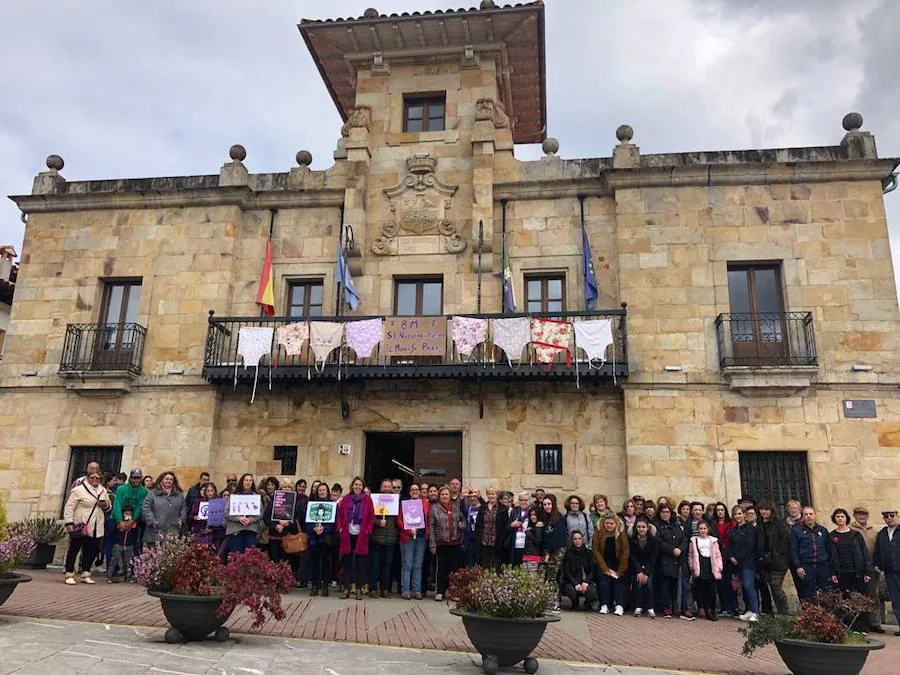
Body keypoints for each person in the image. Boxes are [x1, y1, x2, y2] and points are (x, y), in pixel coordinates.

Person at [63, 469, 111, 584]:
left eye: (97, 478)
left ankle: (86, 572)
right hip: (80, 524)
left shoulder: (103, 490)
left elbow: (108, 506)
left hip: (96, 525)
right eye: (92, 477)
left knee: (91, 550)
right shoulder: (78, 490)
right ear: (87, 478)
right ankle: (69, 573)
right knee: (74, 549)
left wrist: (105, 505)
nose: (95, 480)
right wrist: (69, 522)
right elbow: (69, 507)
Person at [337, 477, 375, 600]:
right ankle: (346, 588)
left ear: (362, 487)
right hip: (347, 534)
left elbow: (371, 517)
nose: (357, 486)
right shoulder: (346, 499)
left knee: (360, 563)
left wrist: (368, 530)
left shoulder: (368, 500)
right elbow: (340, 516)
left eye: (360, 484)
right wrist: (340, 529)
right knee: (346, 563)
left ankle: (359, 588)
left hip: (361, 535)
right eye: (355, 484)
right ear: (352, 486)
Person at [827, 508, 871, 608]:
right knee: (844, 599)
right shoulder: (831, 536)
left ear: (847, 518)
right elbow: (830, 556)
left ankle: (862, 622)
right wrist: (832, 573)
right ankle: (847, 623)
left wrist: (867, 571)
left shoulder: (856, 535)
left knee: (859, 599)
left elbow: (865, 553)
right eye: (837, 516)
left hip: (857, 572)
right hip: (841, 573)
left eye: (842, 516)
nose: (840, 518)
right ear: (834, 519)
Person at [851, 505, 885, 633]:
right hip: (856, 569)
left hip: (871, 568)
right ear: (854, 515)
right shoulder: (850, 530)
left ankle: (875, 622)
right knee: (858, 595)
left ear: (867, 516)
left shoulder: (874, 531)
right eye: (859, 514)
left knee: (873, 595)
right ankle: (860, 623)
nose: (862, 516)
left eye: (864, 514)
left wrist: (878, 564)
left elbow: (878, 549)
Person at [429, 485, 462, 602]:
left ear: (449, 496)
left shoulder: (456, 507)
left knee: (454, 568)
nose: (444, 496)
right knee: (441, 567)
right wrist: (432, 544)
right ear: (439, 495)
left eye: (446, 494)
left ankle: (454, 592)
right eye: (442, 494)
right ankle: (440, 592)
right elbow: (431, 526)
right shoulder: (434, 508)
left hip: (455, 541)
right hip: (441, 542)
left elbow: (463, 520)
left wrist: (463, 525)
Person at [790, 506, 830, 602]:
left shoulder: (823, 530)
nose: (809, 516)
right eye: (806, 514)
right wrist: (798, 566)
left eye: (811, 514)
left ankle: (826, 615)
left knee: (825, 591)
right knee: (808, 592)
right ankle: (810, 614)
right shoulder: (796, 530)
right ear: (803, 517)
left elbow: (828, 548)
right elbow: (793, 549)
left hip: (822, 565)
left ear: (815, 516)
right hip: (806, 566)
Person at [757, 501, 790, 615]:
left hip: (778, 561)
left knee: (776, 586)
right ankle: (779, 613)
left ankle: (784, 612)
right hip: (765, 562)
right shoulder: (760, 523)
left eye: (766, 509)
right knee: (772, 587)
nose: (764, 512)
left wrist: (778, 554)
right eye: (762, 509)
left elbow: (785, 540)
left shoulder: (778, 523)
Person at [593, 514, 629, 616]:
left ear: (616, 524)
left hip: (618, 563)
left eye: (611, 523)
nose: (609, 525)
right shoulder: (598, 533)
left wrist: (620, 570)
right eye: (607, 523)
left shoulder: (621, 534)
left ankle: (619, 605)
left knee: (618, 581)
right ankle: (604, 605)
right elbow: (596, 551)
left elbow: (625, 552)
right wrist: (605, 569)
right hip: (603, 563)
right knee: (604, 581)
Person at [728, 506, 760, 622]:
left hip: (748, 562)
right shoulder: (733, 530)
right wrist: (731, 556)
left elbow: (750, 546)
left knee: (749, 585)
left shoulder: (750, 528)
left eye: (740, 514)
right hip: (737, 564)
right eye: (736, 514)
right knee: (744, 588)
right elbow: (730, 545)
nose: (738, 516)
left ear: (744, 515)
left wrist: (738, 558)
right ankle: (750, 610)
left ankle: (756, 611)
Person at [399, 482, 429, 600]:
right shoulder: (404, 504)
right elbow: (399, 520)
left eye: (417, 489)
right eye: (413, 489)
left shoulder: (425, 504)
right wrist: (408, 529)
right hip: (408, 537)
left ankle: (417, 590)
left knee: (418, 565)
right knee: (407, 564)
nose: (415, 491)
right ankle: (405, 590)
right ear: (409, 491)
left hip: (421, 538)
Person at [656, 504, 687, 618]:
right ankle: (666, 607)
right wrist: (672, 550)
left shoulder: (677, 526)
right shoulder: (658, 526)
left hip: (678, 559)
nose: (665, 514)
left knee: (677, 585)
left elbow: (684, 540)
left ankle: (677, 607)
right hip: (665, 559)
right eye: (663, 512)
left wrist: (680, 549)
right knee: (665, 585)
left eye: (667, 512)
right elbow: (660, 542)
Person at [872, 509, 900, 637]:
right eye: (886, 516)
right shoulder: (882, 533)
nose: (889, 518)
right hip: (889, 571)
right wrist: (877, 564)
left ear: (897, 517)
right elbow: (878, 551)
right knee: (896, 600)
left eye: (892, 516)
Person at [370, 478, 399, 598]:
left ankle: (385, 589)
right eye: (385, 486)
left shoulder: (396, 501)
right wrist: (377, 522)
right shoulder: (374, 501)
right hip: (377, 538)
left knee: (387, 565)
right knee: (375, 564)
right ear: (381, 488)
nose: (387, 489)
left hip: (391, 538)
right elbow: (369, 518)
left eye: (389, 487)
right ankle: (373, 588)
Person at [689, 520, 724, 621]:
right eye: (700, 529)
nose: (702, 530)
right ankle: (706, 609)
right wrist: (692, 566)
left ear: (708, 529)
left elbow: (718, 555)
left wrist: (719, 567)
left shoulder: (713, 541)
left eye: (704, 528)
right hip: (700, 565)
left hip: (711, 565)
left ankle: (713, 609)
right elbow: (691, 555)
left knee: (712, 590)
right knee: (703, 590)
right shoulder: (694, 541)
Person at [306, 482, 336, 597]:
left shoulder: (332, 505)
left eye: (324, 490)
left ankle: (325, 586)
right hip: (314, 537)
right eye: (320, 490)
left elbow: (334, 522)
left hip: (326, 537)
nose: (322, 492)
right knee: (314, 562)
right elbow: (307, 521)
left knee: (325, 562)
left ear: (327, 492)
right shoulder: (311, 504)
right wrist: (314, 528)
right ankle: (314, 585)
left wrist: (325, 529)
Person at [111, 468, 148, 558]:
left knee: (133, 546)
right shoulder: (121, 489)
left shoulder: (144, 492)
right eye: (134, 478)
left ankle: (130, 569)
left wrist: (132, 521)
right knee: (113, 545)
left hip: (134, 521)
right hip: (117, 519)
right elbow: (117, 504)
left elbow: (140, 506)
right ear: (130, 478)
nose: (136, 480)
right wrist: (119, 520)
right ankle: (112, 570)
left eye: (138, 478)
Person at [142, 471, 186, 546]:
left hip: (173, 530)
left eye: (171, 479)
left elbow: (183, 508)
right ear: (161, 480)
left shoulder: (179, 495)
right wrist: (152, 520)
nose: (168, 481)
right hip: (155, 531)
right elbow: (146, 507)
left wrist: (182, 519)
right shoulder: (152, 493)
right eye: (166, 479)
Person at [539, 495, 567, 611]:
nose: (547, 506)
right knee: (543, 576)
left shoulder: (559, 518)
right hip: (546, 551)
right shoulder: (544, 518)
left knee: (552, 577)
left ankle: (554, 602)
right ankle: (545, 600)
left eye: (549, 504)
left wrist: (548, 553)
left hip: (556, 551)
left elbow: (558, 537)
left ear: (553, 504)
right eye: (545, 504)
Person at [224, 473, 261, 556]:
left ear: (252, 483)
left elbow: (260, 513)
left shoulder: (257, 497)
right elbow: (226, 513)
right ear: (242, 482)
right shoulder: (233, 496)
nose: (248, 482)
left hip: (250, 530)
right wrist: (238, 518)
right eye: (246, 480)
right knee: (236, 557)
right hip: (235, 530)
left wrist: (250, 520)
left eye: (250, 481)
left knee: (250, 557)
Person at [712, 501, 737, 616]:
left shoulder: (731, 523)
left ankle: (733, 607)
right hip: (717, 556)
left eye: (722, 510)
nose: (720, 512)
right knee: (720, 583)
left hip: (728, 556)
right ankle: (724, 607)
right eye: (718, 510)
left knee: (730, 582)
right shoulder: (713, 524)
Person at [474, 486, 508, 571]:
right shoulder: (483, 508)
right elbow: (478, 525)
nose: (491, 496)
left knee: (497, 568)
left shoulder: (502, 508)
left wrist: (502, 540)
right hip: (484, 542)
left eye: (493, 494)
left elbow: (505, 526)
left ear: (497, 495)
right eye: (489, 494)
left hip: (497, 543)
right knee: (484, 568)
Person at [629, 517, 658, 617]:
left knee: (648, 583)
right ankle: (638, 606)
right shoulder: (632, 540)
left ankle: (650, 607)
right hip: (637, 568)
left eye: (643, 527)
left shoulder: (653, 540)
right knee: (638, 584)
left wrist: (646, 572)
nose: (641, 529)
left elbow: (653, 557)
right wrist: (639, 571)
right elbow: (632, 556)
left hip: (649, 567)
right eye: (639, 527)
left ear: (647, 528)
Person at [561, 531, 597, 611]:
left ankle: (588, 603)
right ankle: (575, 602)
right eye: (575, 539)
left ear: (582, 540)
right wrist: (576, 584)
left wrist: (586, 582)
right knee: (571, 591)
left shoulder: (588, 553)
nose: (577, 541)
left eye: (579, 539)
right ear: (572, 540)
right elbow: (567, 572)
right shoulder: (568, 553)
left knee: (592, 592)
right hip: (572, 581)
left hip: (586, 581)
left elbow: (592, 570)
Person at [107, 504, 138, 583]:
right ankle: (110, 576)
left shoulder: (134, 524)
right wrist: (118, 528)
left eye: (129, 514)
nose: (128, 515)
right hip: (118, 544)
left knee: (128, 561)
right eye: (126, 513)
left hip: (129, 544)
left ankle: (128, 577)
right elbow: (112, 533)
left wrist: (132, 528)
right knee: (115, 560)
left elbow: (136, 535)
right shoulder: (118, 523)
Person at [189, 482, 223, 549]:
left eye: (211, 491)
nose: (210, 493)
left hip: (213, 533)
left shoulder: (219, 503)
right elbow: (190, 516)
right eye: (208, 491)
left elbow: (221, 520)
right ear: (205, 492)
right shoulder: (198, 502)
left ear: (215, 492)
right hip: (199, 530)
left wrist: (212, 529)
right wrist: (194, 517)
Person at [785, 498, 804, 601]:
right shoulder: (786, 523)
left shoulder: (803, 522)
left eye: (795, 508)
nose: (793, 510)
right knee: (798, 583)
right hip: (791, 557)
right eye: (791, 508)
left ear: (799, 509)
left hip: (803, 556)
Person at [507, 492, 532, 566]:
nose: (523, 502)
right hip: (515, 545)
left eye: (525, 500)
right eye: (521, 500)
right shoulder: (514, 511)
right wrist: (512, 525)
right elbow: (506, 528)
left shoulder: (533, 512)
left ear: (529, 501)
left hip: (528, 546)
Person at [522, 509, 544, 576]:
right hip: (526, 556)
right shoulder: (531, 527)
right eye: (531, 515)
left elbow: (538, 541)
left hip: (534, 556)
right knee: (525, 578)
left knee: (532, 578)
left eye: (534, 515)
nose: (532, 517)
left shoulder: (539, 527)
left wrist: (528, 533)